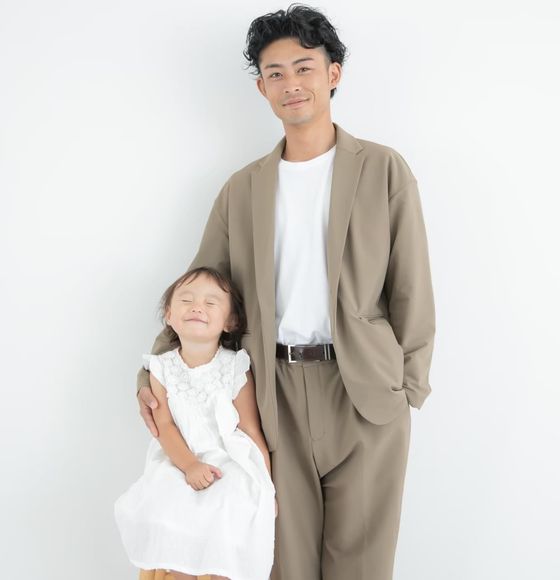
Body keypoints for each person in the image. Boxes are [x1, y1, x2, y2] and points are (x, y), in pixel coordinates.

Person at [136, 4, 435, 580]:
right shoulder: (242, 189)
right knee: (280, 561)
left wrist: (408, 390)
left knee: (363, 565)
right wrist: (153, 375)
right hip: (270, 396)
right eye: (275, 73)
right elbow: (199, 290)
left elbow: (412, 288)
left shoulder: (382, 169)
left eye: (304, 67)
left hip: (365, 392)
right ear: (262, 87)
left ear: (333, 73)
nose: (291, 83)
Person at [115, 267, 276, 580]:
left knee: (232, 504)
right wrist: (189, 465)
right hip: (179, 457)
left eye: (211, 303)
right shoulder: (161, 367)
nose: (197, 307)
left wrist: (267, 489)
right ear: (169, 316)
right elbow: (164, 426)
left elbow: (249, 429)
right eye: (186, 300)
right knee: (169, 503)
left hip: (228, 459)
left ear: (230, 322)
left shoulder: (235, 365)